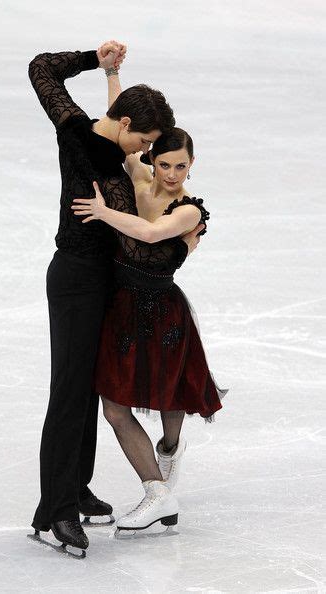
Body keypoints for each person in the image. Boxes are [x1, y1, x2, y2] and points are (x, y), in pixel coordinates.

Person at [27, 40, 201, 554]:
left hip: (113, 285)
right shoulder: (78, 135)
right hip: (77, 279)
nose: (147, 152)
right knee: (69, 393)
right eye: (144, 140)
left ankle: (75, 488)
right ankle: (55, 511)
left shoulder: (116, 141)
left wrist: (110, 73)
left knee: (92, 387)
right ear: (125, 126)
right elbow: (41, 71)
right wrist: (90, 60)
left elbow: (118, 111)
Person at [72, 67, 227, 534]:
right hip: (122, 307)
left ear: (191, 166)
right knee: (116, 407)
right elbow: (120, 120)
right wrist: (113, 75)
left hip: (164, 311)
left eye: (182, 166)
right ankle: (157, 491)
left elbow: (151, 232)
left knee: (166, 395)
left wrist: (103, 212)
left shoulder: (189, 211)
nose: (174, 174)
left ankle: (169, 448)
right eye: (166, 164)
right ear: (153, 160)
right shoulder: (139, 181)